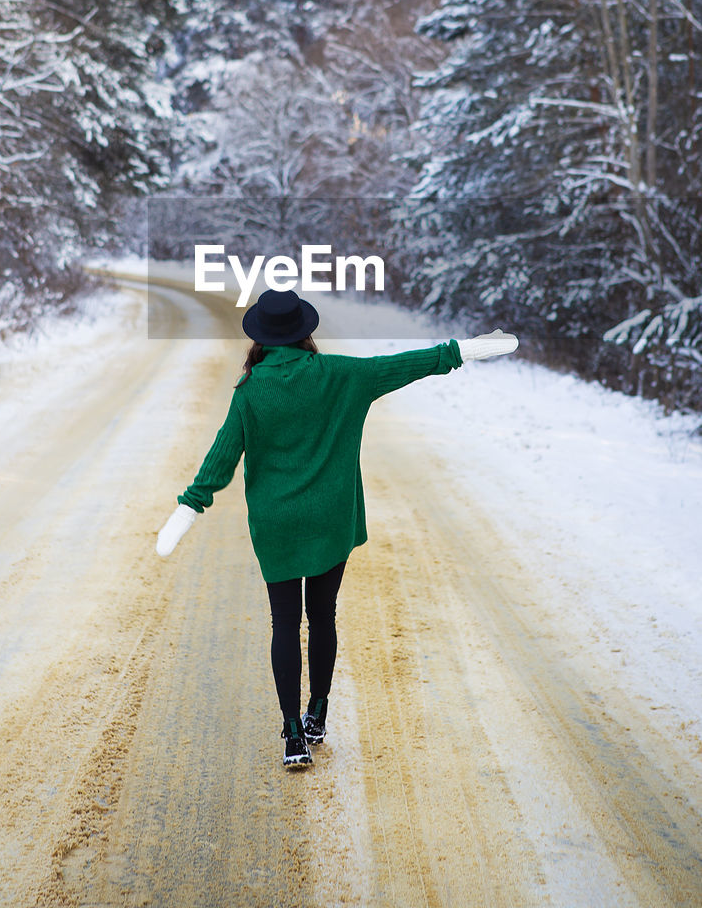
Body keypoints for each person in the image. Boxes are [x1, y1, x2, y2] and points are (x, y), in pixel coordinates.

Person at [156, 288, 518, 769]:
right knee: (321, 613)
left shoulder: (249, 394)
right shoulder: (341, 376)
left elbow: (221, 459)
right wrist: (462, 351)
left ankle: (291, 734)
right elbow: (402, 365)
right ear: (305, 332)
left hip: (277, 525)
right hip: (330, 520)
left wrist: (189, 507)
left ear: (260, 339)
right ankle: (318, 712)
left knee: (284, 622)